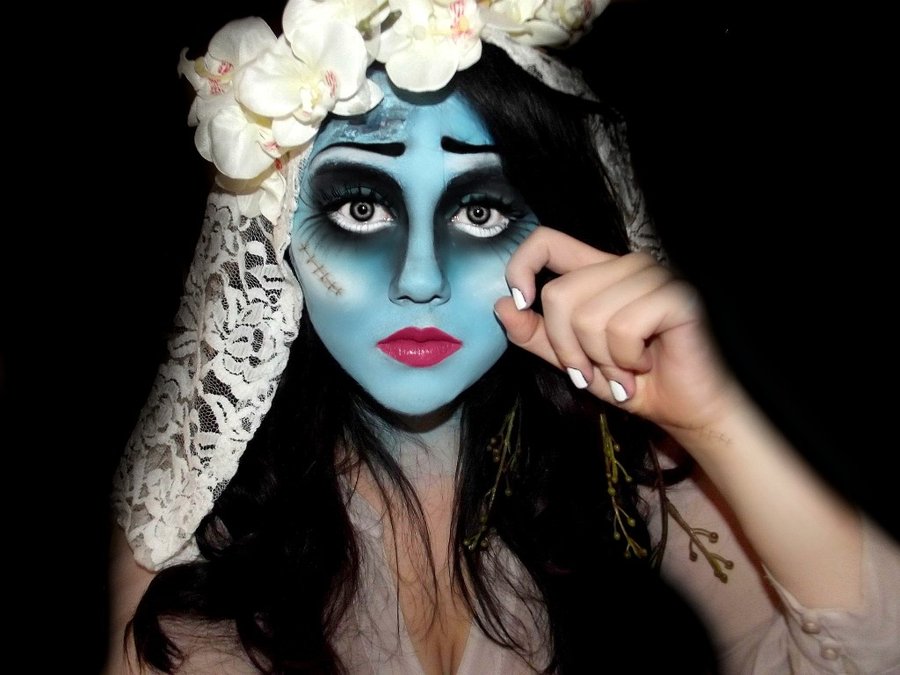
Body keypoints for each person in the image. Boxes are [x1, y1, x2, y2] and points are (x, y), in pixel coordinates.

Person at [105, 0, 900, 673]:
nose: (421, 279)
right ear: (274, 235)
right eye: (361, 206)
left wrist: (715, 419)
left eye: (479, 210)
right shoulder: (188, 549)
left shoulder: (619, 482)